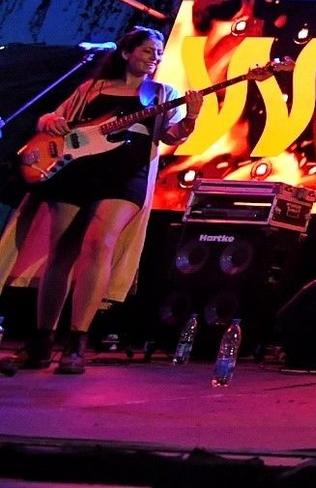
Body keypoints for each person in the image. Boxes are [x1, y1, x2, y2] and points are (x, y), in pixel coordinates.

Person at [0, 26, 201, 374]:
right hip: (76, 171)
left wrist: (192, 117)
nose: (153, 58)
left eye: (157, 53)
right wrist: (55, 121)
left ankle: (77, 341)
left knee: (99, 244)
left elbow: (171, 136)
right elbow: (48, 119)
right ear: (126, 52)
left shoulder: (161, 93)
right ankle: (42, 340)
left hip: (126, 176)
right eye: (146, 50)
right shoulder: (91, 88)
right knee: (61, 252)